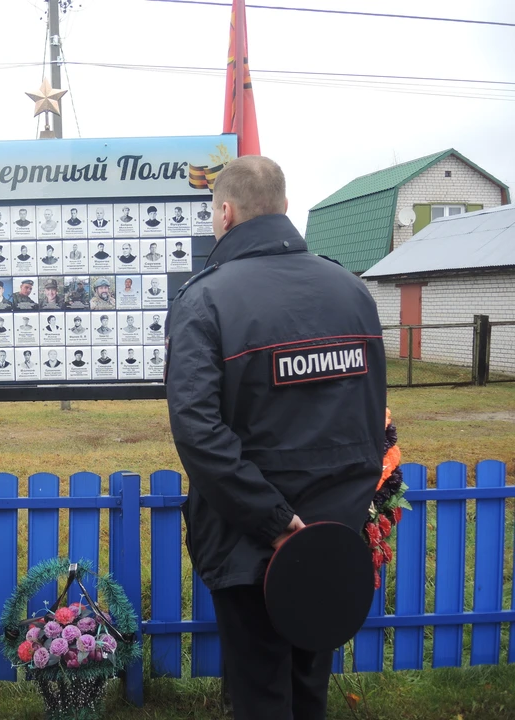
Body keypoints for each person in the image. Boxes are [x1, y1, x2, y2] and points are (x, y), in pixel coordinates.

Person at [164, 155, 386, 720]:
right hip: (330, 541)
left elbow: (197, 430)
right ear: (286, 208)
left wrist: (274, 521)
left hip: (249, 546)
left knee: (260, 694)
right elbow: (371, 423)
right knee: (309, 687)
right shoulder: (351, 291)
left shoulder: (205, 300)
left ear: (225, 214)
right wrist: (333, 520)